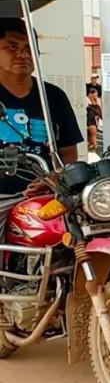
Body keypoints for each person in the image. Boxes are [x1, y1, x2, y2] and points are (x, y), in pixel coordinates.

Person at [0, 17, 82, 228]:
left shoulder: (53, 96)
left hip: (48, 195)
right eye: (12, 46)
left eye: (30, 47)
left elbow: (68, 152)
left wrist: (54, 178)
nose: (23, 53)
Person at [86, 87, 103, 154]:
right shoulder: (87, 102)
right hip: (90, 123)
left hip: (94, 122)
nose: (96, 96)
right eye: (95, 94)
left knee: (93, 135)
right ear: (91, 94)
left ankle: (94, 147)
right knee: (93, 134)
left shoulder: (95, 103)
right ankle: (96, 148)